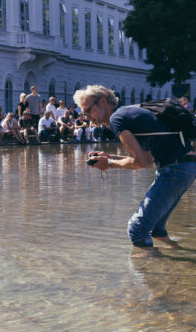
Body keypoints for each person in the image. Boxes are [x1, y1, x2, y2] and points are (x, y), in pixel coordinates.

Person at [73, 84, 196, 254]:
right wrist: (108, 158)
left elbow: (141, 163)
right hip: (186, 165)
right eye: (83, 114)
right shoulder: (129, 113)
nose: (87, 117)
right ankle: (178, 256)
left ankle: (152, 275)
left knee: (137, 229)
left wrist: (108, 164)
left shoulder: (117, 119)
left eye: (88, 111)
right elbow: (146, 159)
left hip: (175, 169)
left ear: (102, 101)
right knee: (155, 229)